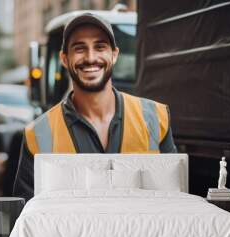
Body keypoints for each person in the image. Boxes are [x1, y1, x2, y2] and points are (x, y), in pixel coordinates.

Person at [13, 13, 177, 201]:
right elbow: (28, 215)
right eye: (79, 48)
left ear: (114, 55)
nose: (91, 58)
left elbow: (173, 199)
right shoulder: (38, 134)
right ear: (65, 59)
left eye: (100, 47)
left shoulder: (156, 117)